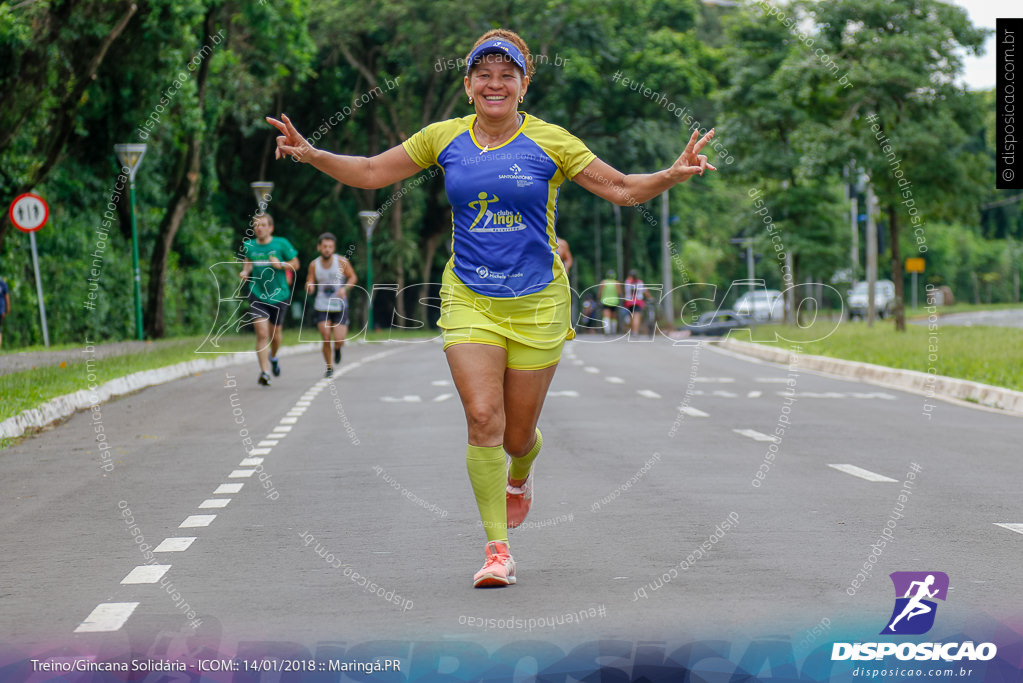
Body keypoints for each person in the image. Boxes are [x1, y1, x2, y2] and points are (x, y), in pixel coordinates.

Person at [267, 28, 715, 587]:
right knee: (483, 419)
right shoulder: (443, 138)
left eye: (508, 75)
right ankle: (496, 549)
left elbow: (622, 188)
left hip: (538, 303)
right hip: (469, 297)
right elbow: (371, 172)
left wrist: (670, 175)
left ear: (523, 86)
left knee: (516, 437)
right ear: (468, 84)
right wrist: (311, 154)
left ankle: (520, 472)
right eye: (485, 74)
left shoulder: (552, 142)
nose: (495, 83)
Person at [239, 214, 300, 386]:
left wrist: (281, 265)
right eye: (256, 225)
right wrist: (245, 272)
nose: (259, 228)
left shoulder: (281, 244)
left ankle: (273, 357)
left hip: (279, 294)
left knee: (275, 334)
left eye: (263, 225)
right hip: (257, 293)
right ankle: (264, 372)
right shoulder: (249, 245)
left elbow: (296, 263)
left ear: (270, 228)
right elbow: (248, 262)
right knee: (262, 333)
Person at [305, 232, 357, 378]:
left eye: (330, 247)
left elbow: (353, 277)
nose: (327, 249)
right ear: (319, 247)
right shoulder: (314, 265)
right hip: (322, 305)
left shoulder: (341, 262)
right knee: (326, 336)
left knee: (339, 339)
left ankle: (338, 348)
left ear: (333, 248)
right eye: (325, 246)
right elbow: (309, 280)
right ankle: (329, 366)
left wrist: (345, 288)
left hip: (340, 305)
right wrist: (309, 286)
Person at [623, 269, 650, 335]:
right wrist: (650, 298)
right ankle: (635, 331)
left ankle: (632, 330)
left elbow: (625, 292)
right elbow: (645, 291)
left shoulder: (627, 282)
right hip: (638, 301)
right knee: (636, 316)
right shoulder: (640, 282)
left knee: (631, 316)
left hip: (629, 302)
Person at [599, 271, 622, 335]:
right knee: (614, 317)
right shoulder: (617, 283)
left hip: (605, 301)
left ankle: (607, 330)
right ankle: (613, 331)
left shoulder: (603, 283)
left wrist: (598, 298)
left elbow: (600, 292)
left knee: (606, 316)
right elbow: (619, 293)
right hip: (614, 301)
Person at [0, 275, 9, 350]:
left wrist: (8, 308)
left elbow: (6, 296)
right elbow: (7, 297)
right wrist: (8, 308)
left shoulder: (3, 283)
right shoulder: (3, 283)